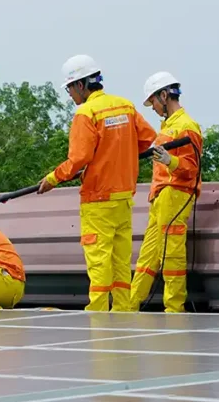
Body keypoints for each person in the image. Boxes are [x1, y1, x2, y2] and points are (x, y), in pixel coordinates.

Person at [36, 55, 157, 312]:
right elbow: (147, 139)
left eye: (69, 87)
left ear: (81, 85)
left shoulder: (86, 113)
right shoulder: (124, 106)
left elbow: (79, 158)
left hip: (98, 200)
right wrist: (118, 153)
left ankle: (98, 316)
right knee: (120, 261)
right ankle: (124, 313)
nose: (69, 94)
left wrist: (52, 179)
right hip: (124, 198)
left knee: (99, 260)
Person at [129, 71, 204, 313]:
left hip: (176, 194)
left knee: (171, 254)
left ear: (164, 95)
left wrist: (170, 161)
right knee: (149, 255)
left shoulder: (186, 126)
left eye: (153, 101)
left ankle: (174, 310)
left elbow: (192, 169)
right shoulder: (167, 126)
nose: (152, 107)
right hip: (162, 197)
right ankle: (128, 306)